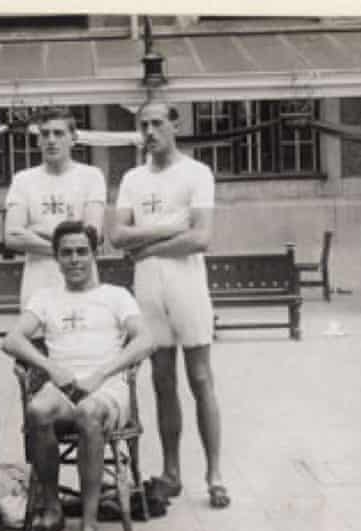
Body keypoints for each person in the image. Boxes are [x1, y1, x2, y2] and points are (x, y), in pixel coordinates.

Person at [3, 220, 152, 531]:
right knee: (38, 409)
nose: (75, 259)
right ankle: (53, 509)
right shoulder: (46, 299)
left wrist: (101, 374)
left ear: (95, 252)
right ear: (55, 258)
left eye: (82, 251)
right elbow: (12, 340)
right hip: (64, 386)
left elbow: (146, 339)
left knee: (88, 414)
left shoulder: (116, 296)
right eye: (66, 253)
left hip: (108, 387)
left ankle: (89, 526)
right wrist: (51, 368)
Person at [109, 101, 230, 509]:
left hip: (187, 283)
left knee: (199, 378)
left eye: (158, 123)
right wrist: (169, 228)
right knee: (162, 381)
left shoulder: (197, 173)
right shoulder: (132, 178)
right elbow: (116, 236)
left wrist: (146, 247)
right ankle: (171, 472)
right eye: (143, 125)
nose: (150, 132)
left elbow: (201, 238)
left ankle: (214, 475)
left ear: (175, 125)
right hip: (148, 287)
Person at [4, 107, 106, 306]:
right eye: (45, 134)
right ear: (38, 140)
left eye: (58, 133)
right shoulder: (23, 180)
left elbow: (92, 235)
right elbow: (12, 236)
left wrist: (35, 231)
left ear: (73, 138)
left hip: (81, 277)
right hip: (38, 279)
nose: (51, 140)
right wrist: (68, 246)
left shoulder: (91, 176)